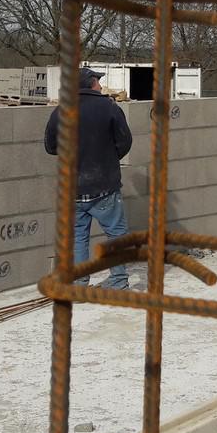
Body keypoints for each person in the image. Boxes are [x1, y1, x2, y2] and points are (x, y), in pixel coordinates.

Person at [44, 67, 133, 288]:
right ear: (91, 83)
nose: (101, 86)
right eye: (98, 81)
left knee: (78, 236)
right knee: (116, 233)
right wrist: (108, 158)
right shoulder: (109, 108)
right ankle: (119, 281)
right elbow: (125, 141)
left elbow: (51, 146)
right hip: (104, 185)